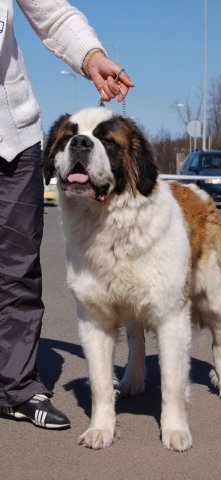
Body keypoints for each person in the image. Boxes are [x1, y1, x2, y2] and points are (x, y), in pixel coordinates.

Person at [0, 0, 134, 429]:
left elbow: (51, 12)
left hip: (11, 135)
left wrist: (91, 56)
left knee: (17, 269)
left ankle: (16, 388)